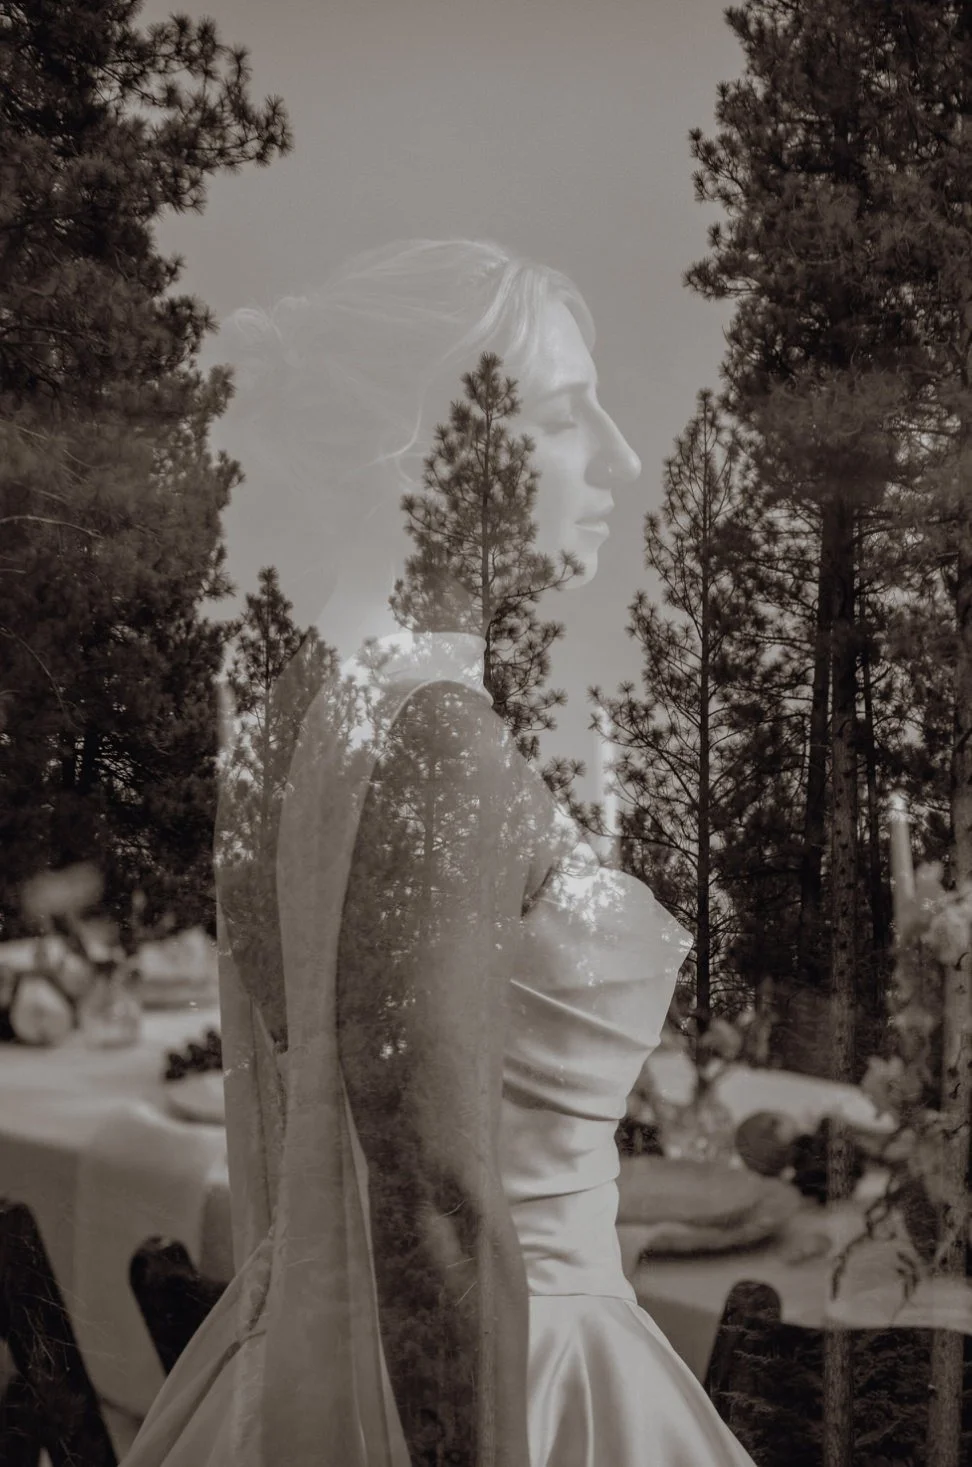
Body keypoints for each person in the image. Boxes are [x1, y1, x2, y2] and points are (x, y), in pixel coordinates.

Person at [121, 239, 757, 1466]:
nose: (621, 455)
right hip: (520, 1382)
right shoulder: (430, 735)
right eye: (572, 415)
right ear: (431, 446)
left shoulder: (299, 710)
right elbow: (435, 1211)